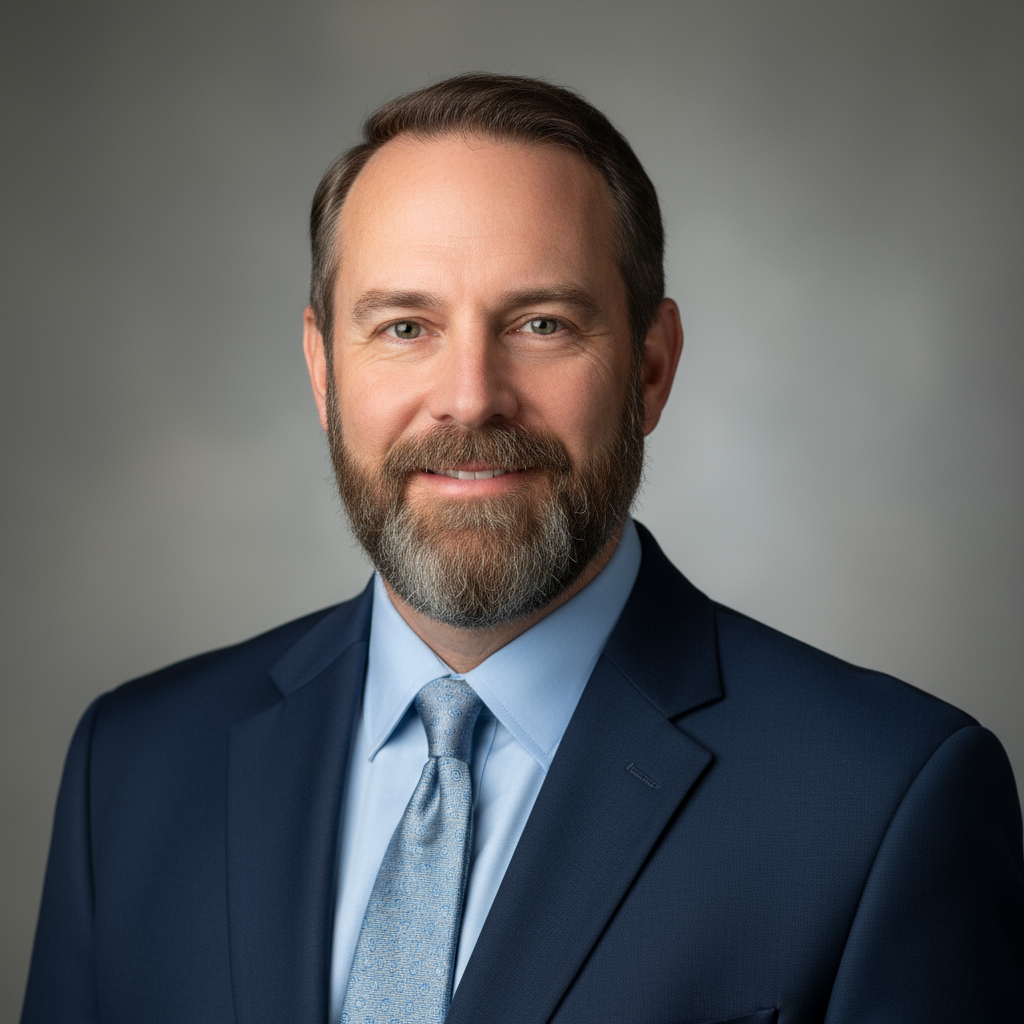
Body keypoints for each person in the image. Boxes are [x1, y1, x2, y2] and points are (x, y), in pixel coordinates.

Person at [21, 73, 1024, 1024]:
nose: (469, 396)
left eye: (541, 323)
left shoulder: (885, 799)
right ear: (324, 372)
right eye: (405, 325)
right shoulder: (136, 768)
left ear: (650, 368)